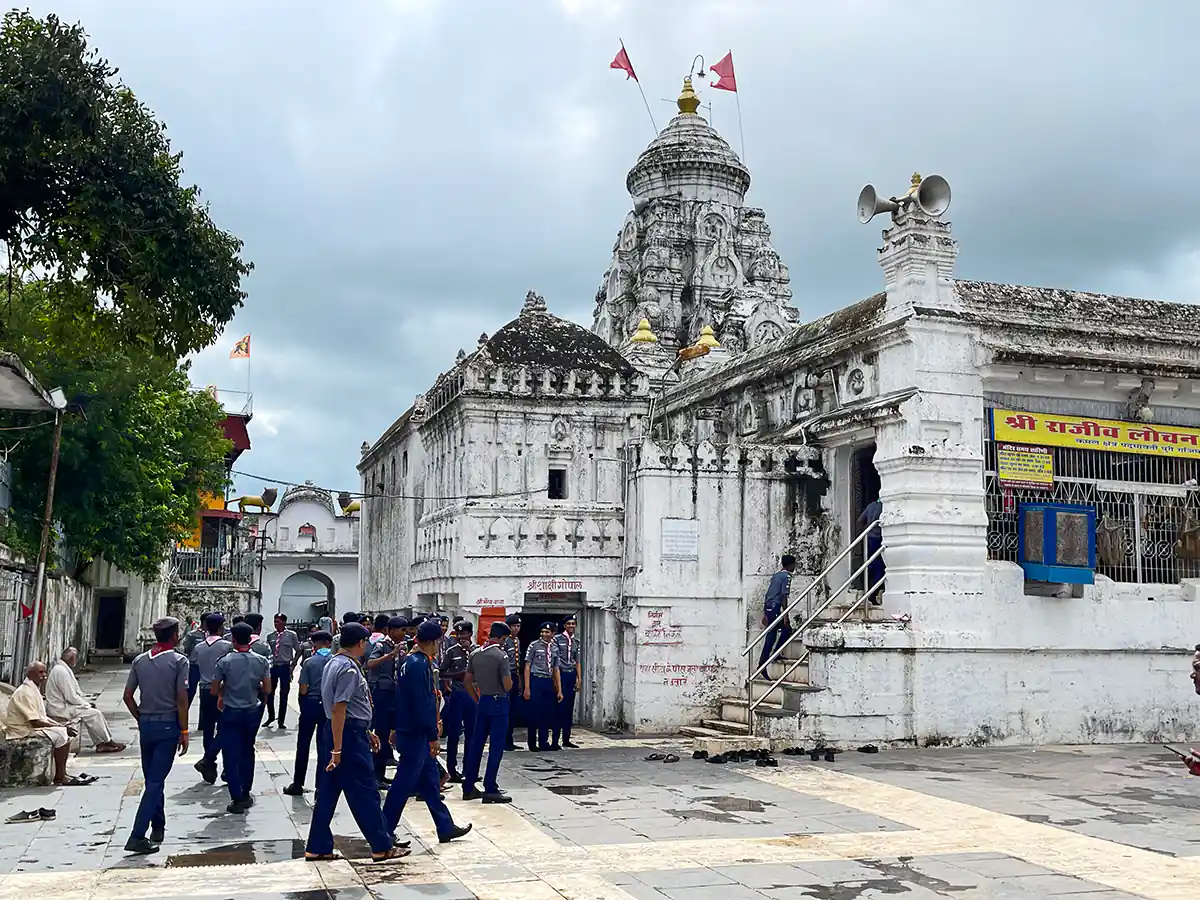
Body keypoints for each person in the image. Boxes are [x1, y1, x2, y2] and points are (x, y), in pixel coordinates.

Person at [304, 622, 408, 862]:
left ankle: (318, 845)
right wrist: (338, 749)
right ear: (360, 643)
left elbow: (347, 708)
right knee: (365, 791)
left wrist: (366, 730)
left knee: (328, 792)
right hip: (346, 735)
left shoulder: (333, 662)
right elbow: (340, 708)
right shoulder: (349, 670)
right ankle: (381, 845)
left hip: (343, 730)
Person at [382, 619, 472, 844]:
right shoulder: (418, 664)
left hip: (410, 729)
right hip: (416, 733)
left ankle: (445, 826)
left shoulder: (409, 661)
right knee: (403, 783)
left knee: (430, 781)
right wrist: (432, 735)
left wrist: (395, 725)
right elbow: (420, 703)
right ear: (432, 642)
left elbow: (400, 699)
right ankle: (384, 829)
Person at [122, 617, 190, 855]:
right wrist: (184, 730)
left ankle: (158, 826)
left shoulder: (140, 660)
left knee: (153, 777)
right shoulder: (179, 661)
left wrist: (140, 717)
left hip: (147, 725)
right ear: (174, 636)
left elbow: (128, 696)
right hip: (168, 726)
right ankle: (137, 834)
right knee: (155, 781)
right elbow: (182, 700)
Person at [212, 622, 272, 814]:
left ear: (234, 640)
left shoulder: (225, 661)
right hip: (252, 711)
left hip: (231, 710)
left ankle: (236, 796)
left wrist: (224, 689)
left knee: (231, 753)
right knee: (248, 750)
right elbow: (268, 689)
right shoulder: (261, 660)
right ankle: (246, 791)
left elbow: (214, 689)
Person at [461, 622, 513, 803]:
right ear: (503, 638)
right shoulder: (501, 656)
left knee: (477, 745)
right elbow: (507, 685)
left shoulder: (475, 654)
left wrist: (477, 698)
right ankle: (490, 787)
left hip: (483, 701)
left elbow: (467, 681)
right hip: (499, 701)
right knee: (496, 746)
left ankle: (468, 786)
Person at [5, 661, 78, 785]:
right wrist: (59, 728)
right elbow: (35, 721)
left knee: (66, 733)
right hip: (21, 730)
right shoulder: (25, 692)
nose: (44, 676)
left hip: (31, 726)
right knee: (61, 735)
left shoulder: (33, 690)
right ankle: (60, 776)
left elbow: (42, 717)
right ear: (30, 674)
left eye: (45, 672)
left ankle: (63, 773)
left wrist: (61, 725)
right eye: (40, 672)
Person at [283, 630, 333, 796]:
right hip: (328, 707)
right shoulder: (336, 661)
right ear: (330, 643)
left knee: (303, 745)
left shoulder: (310, 662)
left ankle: (298, 783)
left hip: (311, 705)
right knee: (324, 747)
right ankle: (321, 786)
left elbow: (303, 689)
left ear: (313, 644)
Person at [46, 647, 124, 752]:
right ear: (72, 658)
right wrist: (86, 704)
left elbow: (74, 694)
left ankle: (101, 743)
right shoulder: (61, 671)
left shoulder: (62, 669)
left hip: (63, 705)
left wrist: (86, 703)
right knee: (94, 713)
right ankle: (107, 741)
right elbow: (71, 697)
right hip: (60, 709)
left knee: (91, 713)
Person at [190, 613, 231, 783]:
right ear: (221, 627)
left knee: (208, 727)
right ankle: (210, 759)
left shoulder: (199, 647)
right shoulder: (226, 646)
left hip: (204, 688)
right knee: (225, 728)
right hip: (221, 689)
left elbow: (194, 666)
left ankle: (210, 762)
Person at [366, 616, 407, 785]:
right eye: (401, 630)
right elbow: (370, 663)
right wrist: (391, 654)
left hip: (396, 693)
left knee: (392, 733)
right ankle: (376, 774)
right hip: (382, 694)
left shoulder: (403, 647)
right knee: (381, 733)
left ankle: (382, 773)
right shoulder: (382, 645)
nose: (404, 633)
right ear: (391, 630)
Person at [440, 621, 476, 781]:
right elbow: (442, 672)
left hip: (473, 695)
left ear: (470, 634)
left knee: (472, 733)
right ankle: (452, 769)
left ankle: (469, 769)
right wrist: (456, 675)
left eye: (464, 634)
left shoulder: (477, 651)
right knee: (454, 733)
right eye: (459, 635)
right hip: (457, 693)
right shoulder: (451, 651)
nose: (461, 638)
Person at [757, 554, 796, 670]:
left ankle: (772, 656)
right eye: (794, 565)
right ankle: (764, 662)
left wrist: (765, 612)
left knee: (774, 633)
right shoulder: (787, 577)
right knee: (779, 631)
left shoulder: (776, 576)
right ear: (790, 565)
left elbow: (768, 594)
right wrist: (786, 616)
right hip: (775, 607)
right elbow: (783, 596)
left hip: (769, 607)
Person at [523, 623, 557, 752]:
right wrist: (527, 687)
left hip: (548, 681)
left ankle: (544, 742)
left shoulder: (554, 647)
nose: (544, 634)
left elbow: (556, 668)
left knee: (546, 713)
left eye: (547, 632)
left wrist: (558, 689)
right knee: (534, 713)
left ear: (552, 633)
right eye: (542, 632)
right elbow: (527, 666)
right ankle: (532, 743)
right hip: (536, 679)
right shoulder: (534, 645)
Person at [265, 613, 302, 729]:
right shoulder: (270, 636)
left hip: (285, 666)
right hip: (273, 667)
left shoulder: (291, 635)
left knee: (284, 693)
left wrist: (293, 664)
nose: (276, 624)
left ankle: (281, 720)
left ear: (284, 622)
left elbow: (298, 650)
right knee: (270, 692)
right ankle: (271, 716)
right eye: (275, 621)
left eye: (278, 621)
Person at [551, 616, 582, 750]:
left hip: (570, 675)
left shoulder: (576, 641)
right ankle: (555, 740)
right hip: (560, 674)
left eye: (573, 624)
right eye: (568, 624)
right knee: (559, 709)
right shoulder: (557, 639)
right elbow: (555, 661)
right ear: (564, 625)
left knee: (569, 708)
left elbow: (577, 661)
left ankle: (566, 739)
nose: (571, 626)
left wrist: (579, 678)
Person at [500, 614, 522, 751]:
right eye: (514, 626)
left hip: (515, 674)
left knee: (513, 710)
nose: (516, 629)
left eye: (518, 626)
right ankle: (504, 740)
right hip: (506, 675)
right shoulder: (505, 641)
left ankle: (510, 739)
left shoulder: (517, 641)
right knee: (506, 710)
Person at [859, 498, 885, 604]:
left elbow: (860, 520)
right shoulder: (886, 507)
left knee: (871, 563)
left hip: (869, 539)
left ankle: (863, 583)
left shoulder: (871, 505)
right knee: (881, 567)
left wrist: (865, 531)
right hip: (880, 539)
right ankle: (873, 593)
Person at [181, 617, 207, 704]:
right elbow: (187, 648)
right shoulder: (192, 634)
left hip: (206, 665)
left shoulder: (212, 635)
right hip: (194, 664)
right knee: (191, 690)